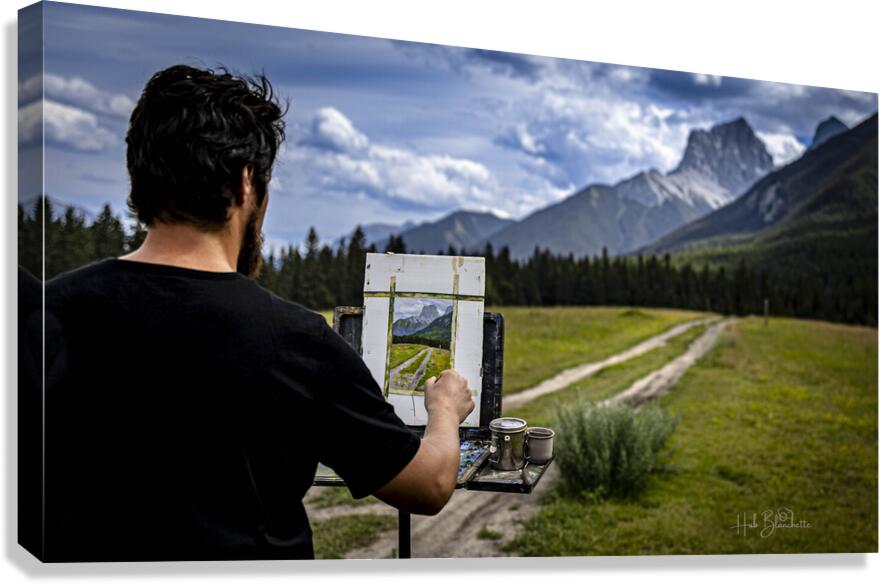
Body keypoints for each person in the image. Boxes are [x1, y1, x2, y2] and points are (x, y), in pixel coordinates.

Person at [42, 64, 474, 561]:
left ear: (140, 178)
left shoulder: (46, 312)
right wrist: (443, 411)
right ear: (248, 184)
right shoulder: (295, 339)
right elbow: (429, 484)